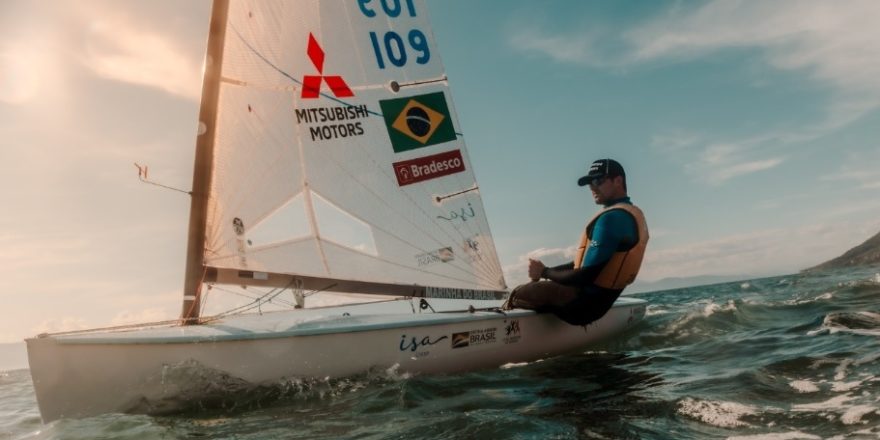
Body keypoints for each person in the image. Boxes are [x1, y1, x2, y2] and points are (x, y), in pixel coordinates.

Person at [503, 159, 649, 326]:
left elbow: (584, 276)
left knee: (519, 293)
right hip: (600, 305)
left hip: (580, 307)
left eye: (598, 180)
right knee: (547, 286)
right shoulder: (629, 215)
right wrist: (546, 270)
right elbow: (583, 265)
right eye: (589, 183)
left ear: (618, 181)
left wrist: (544, 272)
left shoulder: (612, 219)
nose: (593, 187)